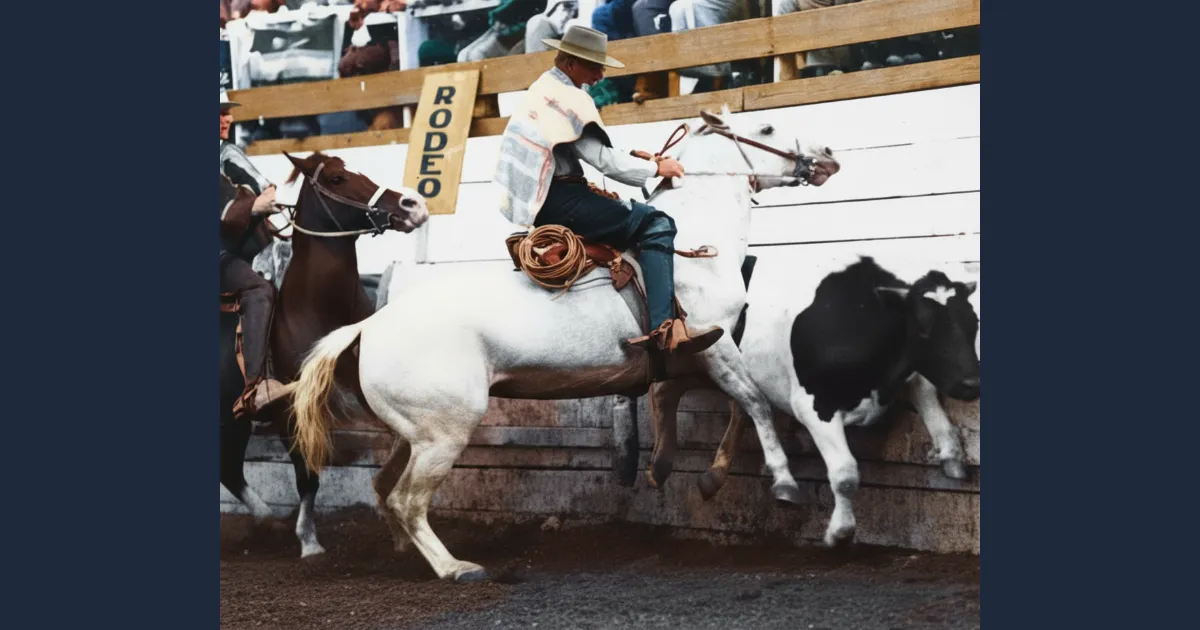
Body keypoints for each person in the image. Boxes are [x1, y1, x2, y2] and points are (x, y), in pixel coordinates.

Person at [493, 25, 723, 367]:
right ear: (571, 63)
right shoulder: (569, 97)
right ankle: (664, 327)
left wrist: (638, 158)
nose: (601, 73)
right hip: (561, 198)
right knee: (657, 222)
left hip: (543, 199)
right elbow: (601, 159)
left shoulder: (545, 89)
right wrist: (659, 170)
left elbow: (586, 149)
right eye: (594, 65)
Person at [219, 90, 288, 418]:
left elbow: (262, 185)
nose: (227, 118)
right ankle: (254, 384)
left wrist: (263, 197)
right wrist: (251, 206)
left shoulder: (226, 152)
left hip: (227, 247)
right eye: (218, 113)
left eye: (227, 112)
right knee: (259, 289)